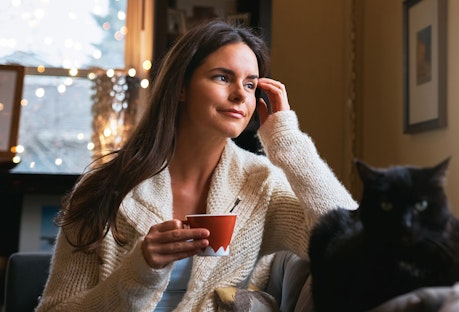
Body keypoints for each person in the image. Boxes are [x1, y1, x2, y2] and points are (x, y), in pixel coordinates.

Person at [36, 20, 357, 311]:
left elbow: (351, 244)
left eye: (250, 84)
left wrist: (286, 139)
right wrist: (140, 270)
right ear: (180, 87)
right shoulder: (104, 187)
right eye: (222, 77)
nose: (239, 96)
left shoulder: (261, 185)